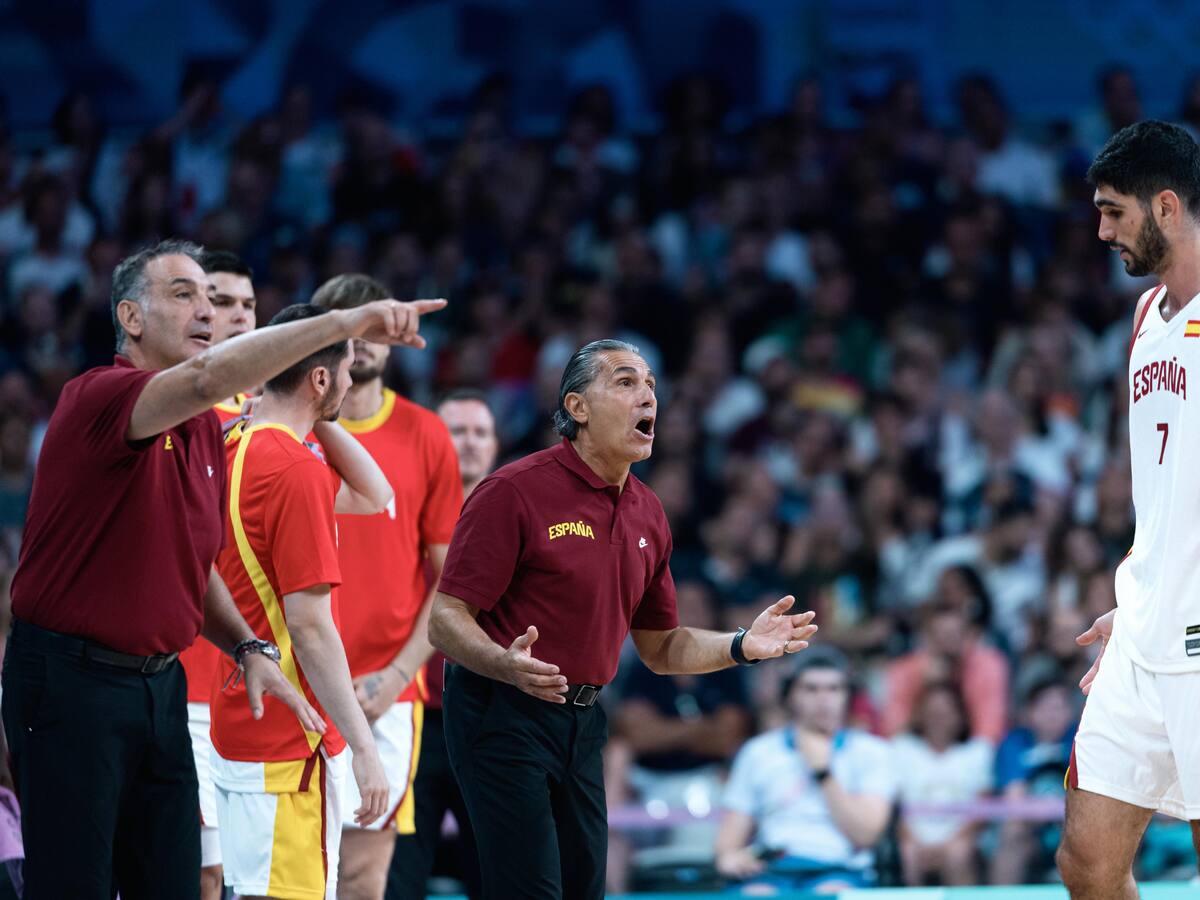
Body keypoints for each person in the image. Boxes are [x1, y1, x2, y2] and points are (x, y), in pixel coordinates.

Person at [0, 238, 444, 899]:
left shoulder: (210, 430)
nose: (207, 311)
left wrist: (245, 645)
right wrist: (342, 323)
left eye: (214, 298)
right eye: (185, 294)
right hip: (71, 681)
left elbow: (193, 559)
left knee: (181, 883)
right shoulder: (100, 394)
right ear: (130, 317)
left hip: (162, 683)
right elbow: (209, 380)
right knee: (77, 886)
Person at [429, 338, 819, 899]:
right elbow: (445, 619)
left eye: (651, 385)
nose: (648, 397)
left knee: (585, 889)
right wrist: (503, 663)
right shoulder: (513, 491)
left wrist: (740, 645)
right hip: (502, 711)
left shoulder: (648, 511)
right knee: (531, 891)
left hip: (585, 719)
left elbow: (661, 647)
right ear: (578, 408)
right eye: (626, 382)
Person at [1058, 119, 1200, 898]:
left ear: (1167, 207)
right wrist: (1147, 591)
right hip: (1145, 628)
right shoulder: (1146, 316)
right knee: (1085, 862)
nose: (1102, 230)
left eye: (1114, 211)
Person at [212, 302, 394, 900]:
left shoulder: (234, 446)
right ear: (320, 377)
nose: (350, 380)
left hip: (242, 718)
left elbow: (375, 493)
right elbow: (311, 628)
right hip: (294, 736)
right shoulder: (295, 469)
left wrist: (309, 410)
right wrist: (364, 748)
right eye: (345, 370)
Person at [309, 274, 464, 900]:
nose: (362, 339)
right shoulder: (290, 429)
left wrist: (398, 675)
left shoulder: (427, 434)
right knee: (288, 869)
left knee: (363, 875)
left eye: (374, 324)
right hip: (295, 677)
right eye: (348, 324)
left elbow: (450, 582)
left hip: (386, 691)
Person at [387, 388, 498, 900]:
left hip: (489, 716)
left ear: (495, 445)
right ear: (432, 440)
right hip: (413, 717)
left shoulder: (519, 515)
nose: (469, 442)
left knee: (498, 875)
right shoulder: (396, 507)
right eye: (457, 431)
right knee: (397, 877)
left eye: (481, 432)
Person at [176, 247, 259, 900]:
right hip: (188, 678)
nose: (236, 316)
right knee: (204, 871)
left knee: (249, 874)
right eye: (220, 301)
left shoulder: (280, 419)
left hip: (257, 679)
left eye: (248, 305)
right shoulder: (172, 410)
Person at [714, 648, 895, 893]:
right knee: (757, 894)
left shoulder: (872, 751)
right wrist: (731, 858)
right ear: (790, 696)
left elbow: (865, 834)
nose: (823, 699)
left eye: (834, 689)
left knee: (829, 893)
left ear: (848, 696)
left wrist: (823, 772)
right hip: (771, 868)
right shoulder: (758, 751)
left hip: (840, 869)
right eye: (811, 689)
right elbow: (728, 843)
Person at [891, 682, 993, 886]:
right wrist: (913, 840)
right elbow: (893, 806)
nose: (939, 719)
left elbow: (983, 806)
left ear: (961, 716)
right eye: (933, 713)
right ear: (920, 715)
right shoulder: (901, 748)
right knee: (907, 853)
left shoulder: (978, 750)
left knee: (958, 853)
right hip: (913, 839)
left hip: (961, 838)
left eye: (946, 713)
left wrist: (951, 842)